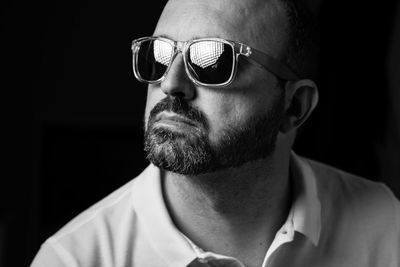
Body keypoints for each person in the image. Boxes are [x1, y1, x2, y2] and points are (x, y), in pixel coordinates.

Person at [31, 0, 400, 266]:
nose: (170, 84)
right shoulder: (73, 259)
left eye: (213, 60)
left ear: (294, 107)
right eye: (159, 55)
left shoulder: (387, 230)